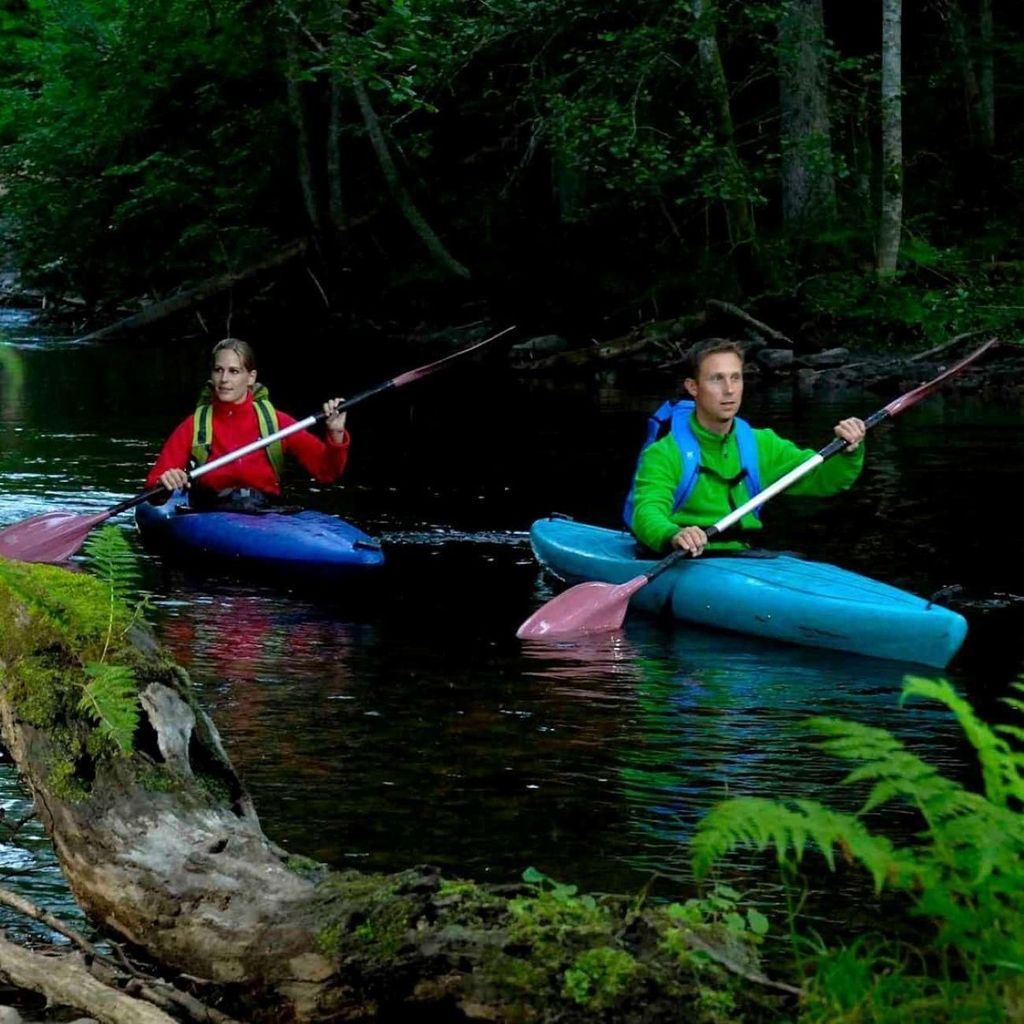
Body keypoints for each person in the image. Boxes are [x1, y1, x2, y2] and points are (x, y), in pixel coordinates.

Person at [627, 339, 866, 557]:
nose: (729, 390)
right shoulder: (665, 452)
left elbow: (823, 478)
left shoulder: (761, 444)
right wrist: (673, 535)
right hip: (684, 556)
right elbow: (647, 510)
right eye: (716, 379)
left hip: (744, 557)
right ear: (693, 386)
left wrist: (848, 452)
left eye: (736, 377)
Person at [145, 337, 350, 510]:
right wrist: (166, 481)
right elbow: (153, 491)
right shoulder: (194, 425)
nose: (224, 379)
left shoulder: (277, 422)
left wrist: (336, 433)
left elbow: (327, 473)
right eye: (218, 370)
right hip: (212, 512)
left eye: (234, 371)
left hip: (265, 512)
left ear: (251, 377)